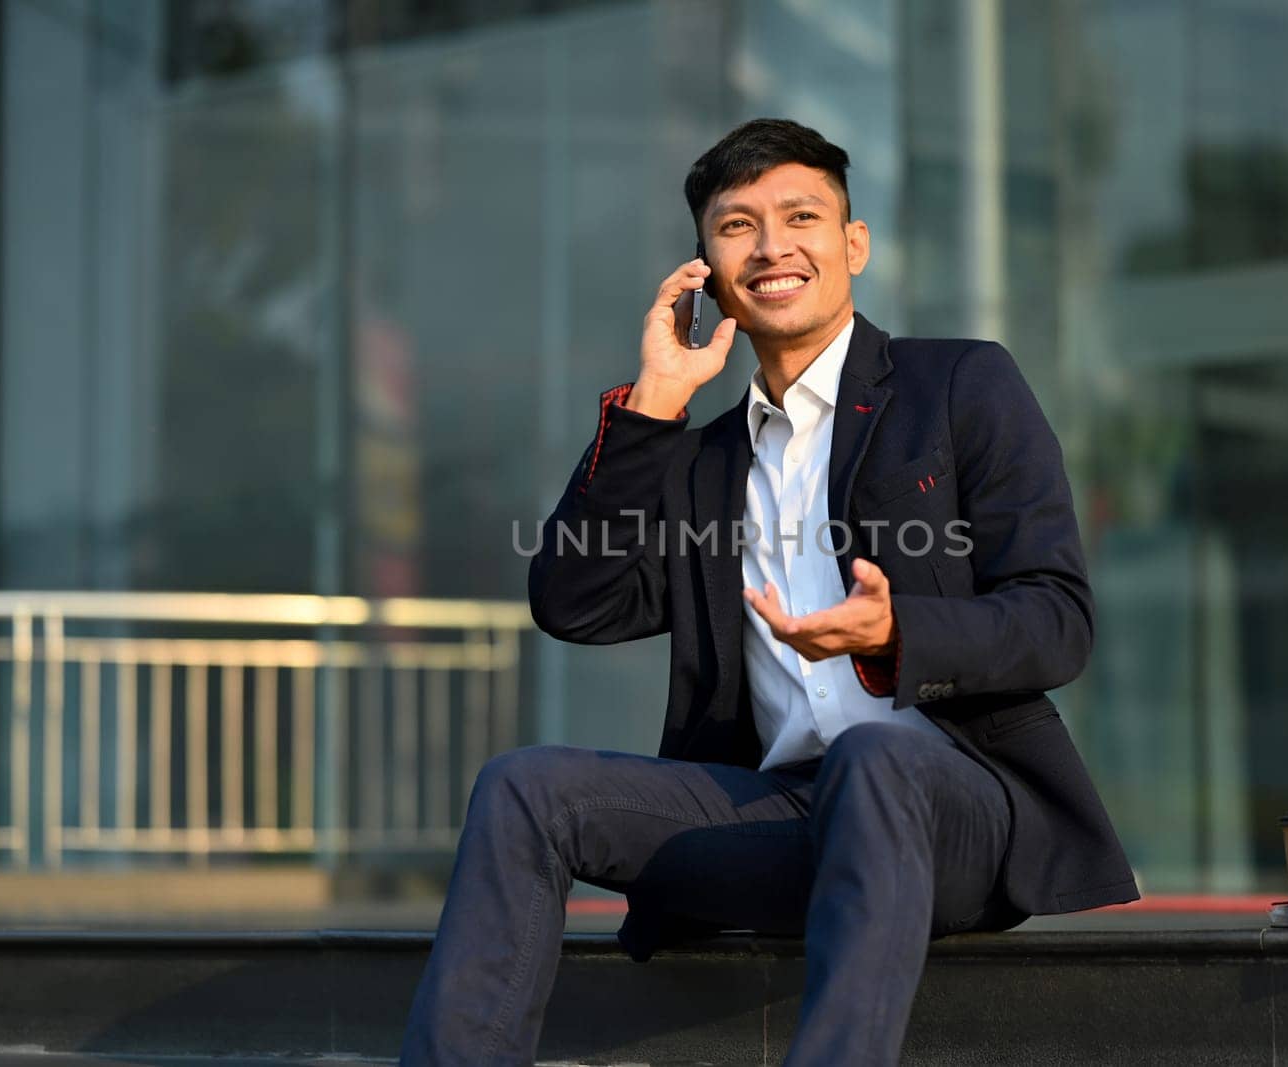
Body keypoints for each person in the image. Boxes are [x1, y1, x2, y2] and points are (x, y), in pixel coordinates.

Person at [400, 118, 1138, 1066]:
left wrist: (898, 634)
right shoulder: (701, 458)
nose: (772, 245)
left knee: (874, 758)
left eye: (802, 215)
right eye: (737, 225)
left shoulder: (958, 384)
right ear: (706, 266)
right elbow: (575, 601)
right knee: (523, 787)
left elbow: (1057, 619)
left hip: (952, 806)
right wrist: (654, 402)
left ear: (853, 244)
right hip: (782, 818)